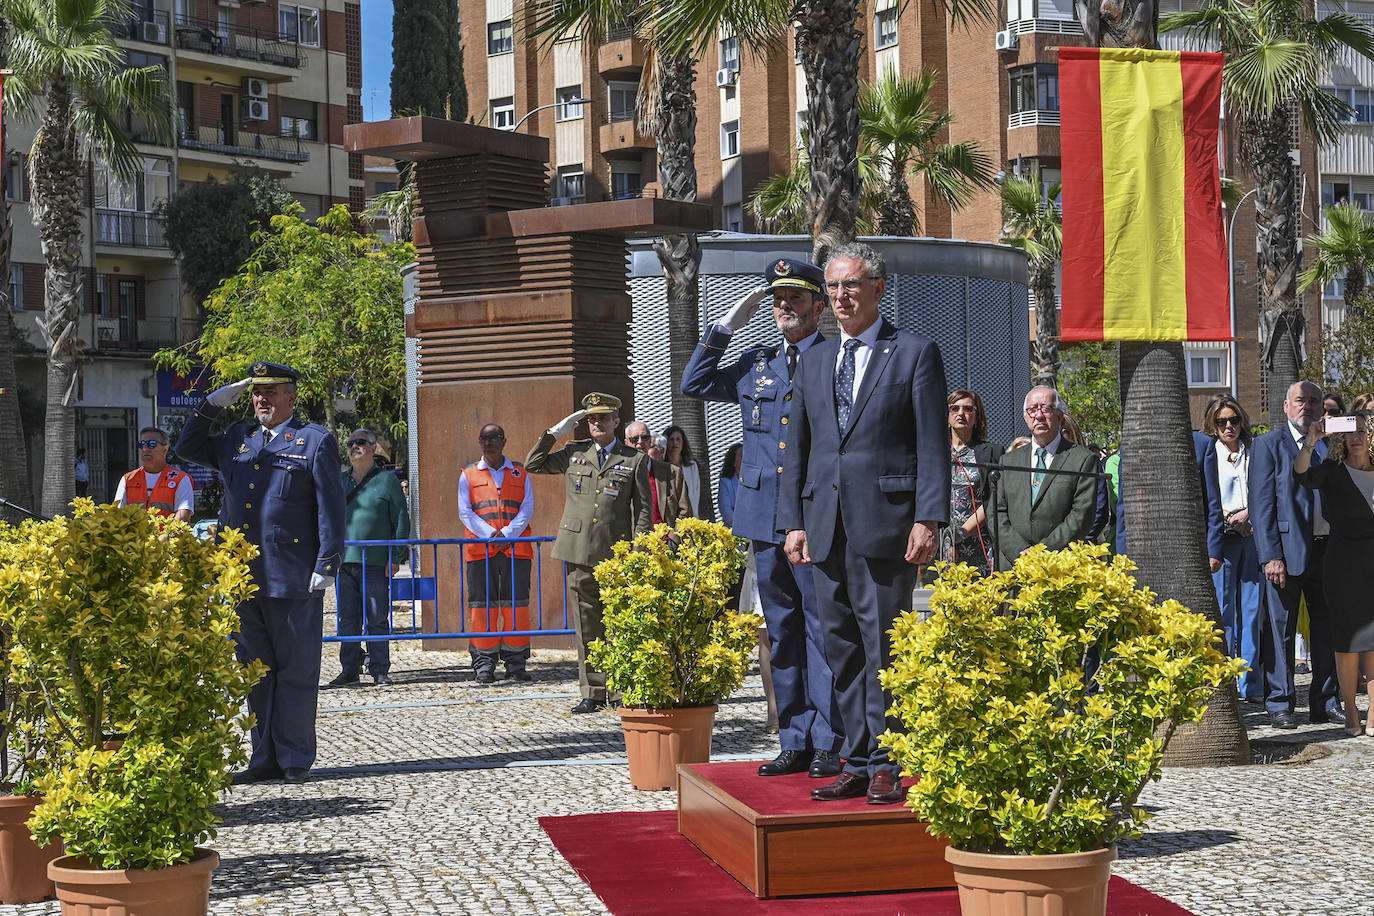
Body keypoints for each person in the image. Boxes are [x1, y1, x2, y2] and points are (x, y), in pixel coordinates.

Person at [779, 242, 948, 804]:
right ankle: (854, 757)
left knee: (885, 649)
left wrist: (929, 517)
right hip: (824, 525)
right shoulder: (817, 359)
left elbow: (931, 444)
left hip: (888, 525)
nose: (841, 296)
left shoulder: (914, 353)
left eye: (851, 284)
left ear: (877, 287)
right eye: (832, 287)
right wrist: (792, 523)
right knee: (841, 648)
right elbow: (797, 450)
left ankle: (887, 761)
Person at [682, 256, 844, 781]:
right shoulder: (757, 361)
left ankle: (828, 739)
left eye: (796, 299)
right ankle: (793, 737)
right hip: (762, 515)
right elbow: (695, 383)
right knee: (780, 630)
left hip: (815, 516)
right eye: (777, 299)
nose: (784, 307)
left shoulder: (837, 356)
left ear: (819, 306)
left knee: (821, 630)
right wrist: (726, 325)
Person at [176, 362, 345, 784]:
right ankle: (263, 757)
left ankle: (293, 757)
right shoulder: (238, 438)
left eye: (271, 391)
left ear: (291, 396)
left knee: (296, 670)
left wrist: (327, 562)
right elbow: (186, 447)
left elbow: (331, 506)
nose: (261, 399)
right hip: (242, 576)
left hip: (291, 575)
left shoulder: (313, 441)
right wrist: (212, 405)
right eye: (256, 393)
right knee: (256, 671)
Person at [527, 392, 652, 713]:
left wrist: (637, 551)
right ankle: (593, 691)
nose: (596, 422)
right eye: (591, 418)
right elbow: (533, 464)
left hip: (616, 553)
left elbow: (642, 510)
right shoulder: (573, 453)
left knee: (619, 622)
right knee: (587, 624)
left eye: (603, 417)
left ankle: (623, 690)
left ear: (616, 422)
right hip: (579, 551)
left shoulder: (633, 459)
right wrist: (556, 431)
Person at [1250, 380, 1343, 729]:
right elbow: (1261, 505)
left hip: (1328, 551)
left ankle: (1325, 701)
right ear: (1287, 406)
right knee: (1280, 631)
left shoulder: (1331, 446)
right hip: (1285, 555)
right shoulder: (1268, 445)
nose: (1307, 406)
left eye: (1314, 401)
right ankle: (1279, 704)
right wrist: (1270, 554)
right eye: (1300, 400)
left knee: (1327, 630)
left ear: (1323, 408)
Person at [1293, 410, 1374, 737]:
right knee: (1347, 640)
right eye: (1350, 432)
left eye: (1363, 431)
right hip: (1342, 564)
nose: (1356, 438)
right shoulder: (1332, 471)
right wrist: (1312, 440)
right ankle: (1351, 713)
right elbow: (1301, 474)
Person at [330, 428, 410, 689]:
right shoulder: (341, 481)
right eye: (351, 443)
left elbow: (400, 519)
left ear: (374, 448)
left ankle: (379, 669)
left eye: (360, 443)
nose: (354, 447)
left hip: (376, 562)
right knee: (347, 619)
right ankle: (349, 669)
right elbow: (329, 519)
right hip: (346, 561)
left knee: (376, 618)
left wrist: (396, 555)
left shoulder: (387, 481)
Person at [459, 423, 536, 685]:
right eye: (484, 438)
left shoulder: (520, 473)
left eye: (494, 438)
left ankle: (516, 663)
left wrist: (507, 534)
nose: (488, 443)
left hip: (516, 551)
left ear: (504, 441)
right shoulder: (468, 474)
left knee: (517, 607)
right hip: (481, 551)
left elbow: (526, 509)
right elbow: (465, 512)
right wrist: (491, 535)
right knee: (482, 608)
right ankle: (484, 664)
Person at [994, 386, 1100, 570]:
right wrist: (1020, 551)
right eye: (1032, 409)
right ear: (1026, 418)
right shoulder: (1008, 460)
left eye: (1046, 408)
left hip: (1059, 569)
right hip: (1014, 567)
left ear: (1060, 417)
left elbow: (1081, 515)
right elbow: (996, 512)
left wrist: (1042, 552)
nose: (1039, 415)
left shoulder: (1082, 460)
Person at [1201, 395, 1263, 703]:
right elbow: (1207, 497)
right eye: (1222, 421)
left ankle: (1249, 684)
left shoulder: (1253, 452)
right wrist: (1228, 520)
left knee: (1251, 611)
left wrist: (1247, 515)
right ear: (1213, 424)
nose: (1229, 427)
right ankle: (1224, 681)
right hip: (1221, 539)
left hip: (1250, 535)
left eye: (1234, 420)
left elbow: (1263, 490)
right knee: (1223, 612)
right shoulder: (1207, 452)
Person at [945, 390, 1002, 573]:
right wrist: (947, 538)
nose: (960, 413)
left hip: (980, 544)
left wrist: (962, 533)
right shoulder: (932, 453)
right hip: (940, 544)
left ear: (977, 416)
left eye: (968, 409)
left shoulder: (992, 452)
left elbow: (996, 498)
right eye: (954, 408)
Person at [115, 427, 194, 521]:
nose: (145, 449)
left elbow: (183, 515)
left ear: (165, 450)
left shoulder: (180, 479)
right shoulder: (127, 479)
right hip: (136, 535)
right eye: (141, 444)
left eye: (151, 444)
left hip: (167, 535)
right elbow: (118, 515)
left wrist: (165, 535)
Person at [625, 420, 691, 526]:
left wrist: (673, 538)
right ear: (626, 443)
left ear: (650, 441)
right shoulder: (619, 472)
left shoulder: (672, 473)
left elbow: (685, 512)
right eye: (634, 439)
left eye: (645, 437)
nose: (640, 442)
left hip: (665, 540)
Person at [663, 424, 706, 518]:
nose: (675, 442)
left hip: (690, 516)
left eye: (678, 439)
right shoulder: (662, 466)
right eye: (671, 439)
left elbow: (696, 493)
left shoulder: (692, 466)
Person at [718, 443, 743, 528]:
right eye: (742, 456)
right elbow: (727, 513)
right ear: (733, 463)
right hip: (733, 531)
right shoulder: (725, 482)